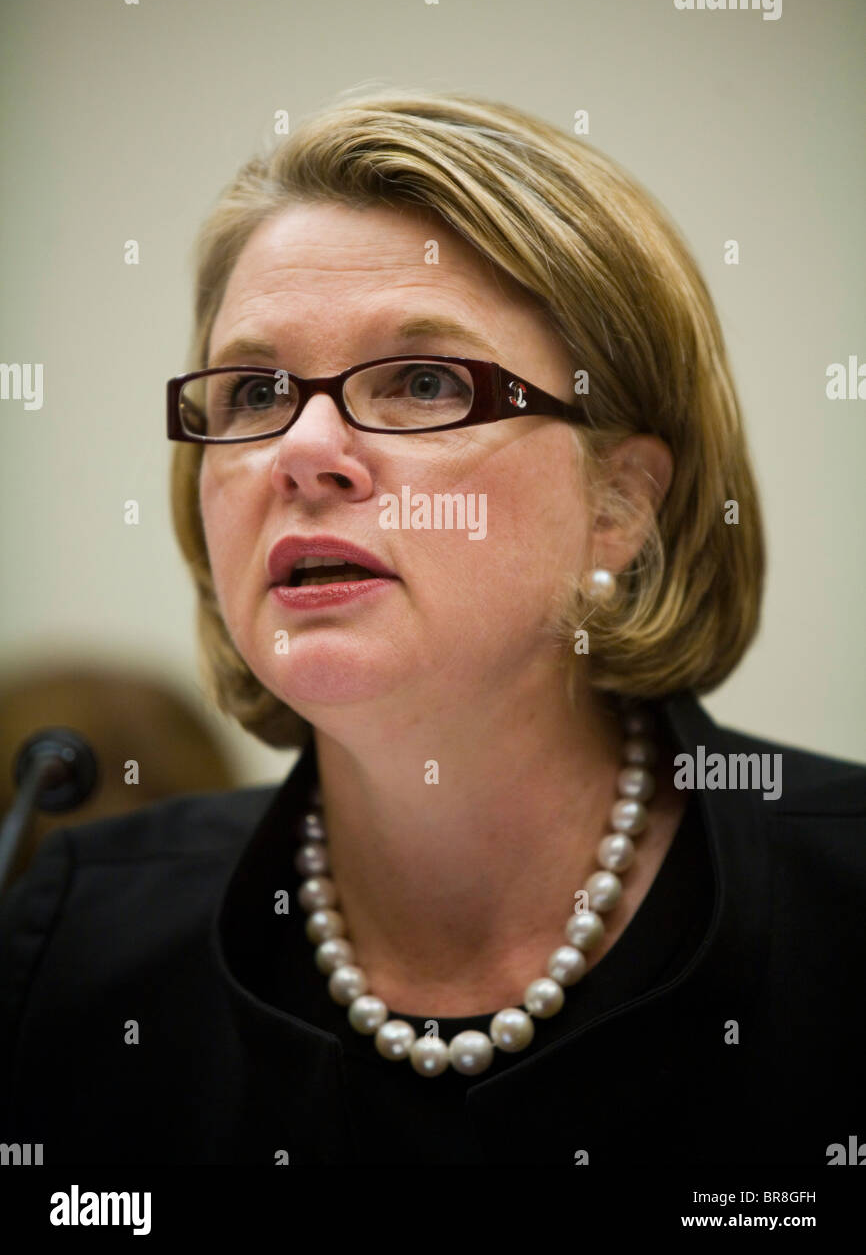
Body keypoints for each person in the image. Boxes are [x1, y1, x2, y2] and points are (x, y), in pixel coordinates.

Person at [1, 89, 864, 1168]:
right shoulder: (73, 941)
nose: (303, 450)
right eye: (255, 390)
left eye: (422, 382)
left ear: (619, 505)